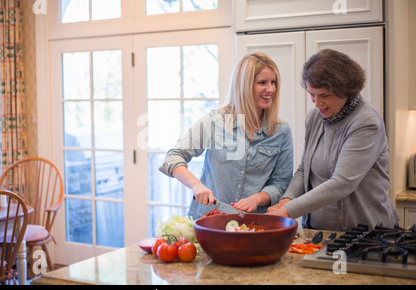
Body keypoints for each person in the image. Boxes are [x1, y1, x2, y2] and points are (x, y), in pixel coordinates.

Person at [268, 49, 399, 231]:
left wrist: (288, 211)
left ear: (345, 90)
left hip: (366, 234)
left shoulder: (366, 122)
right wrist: (286, 200)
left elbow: (342, 183)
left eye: (324, 95)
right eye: (312, 94)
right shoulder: (315, 118)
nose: (316, 102)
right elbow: (304, 170)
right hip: (317, 232)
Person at [159, 52, 294, 220]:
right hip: (208, 221)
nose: (271, 89)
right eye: (262, 83)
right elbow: (173, 157)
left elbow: (281, 183)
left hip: (253, 223)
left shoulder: (281, 132)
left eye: (273, 82)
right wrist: (197, 186)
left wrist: (257, 198)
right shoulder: (215, 121)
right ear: (244, 86)